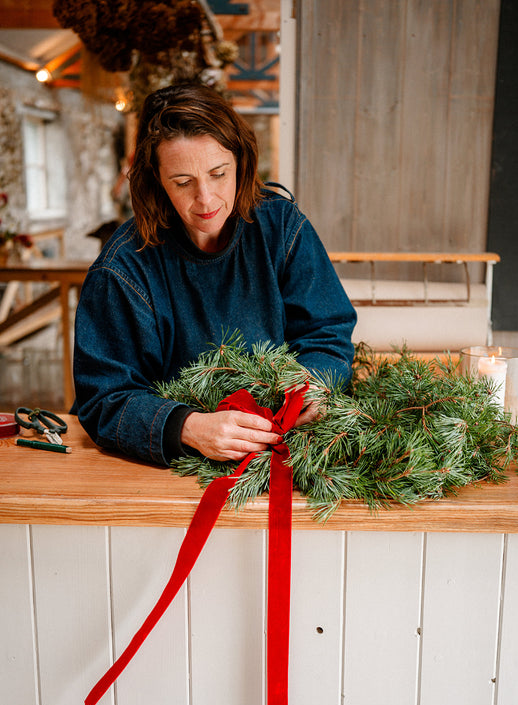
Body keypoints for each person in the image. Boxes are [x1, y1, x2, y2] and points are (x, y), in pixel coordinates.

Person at [73, 82, 357, 466]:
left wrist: (313, 385)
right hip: (167, 468)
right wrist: (187, 427)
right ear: (157, 181)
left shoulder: (282, 228)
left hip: (277, 453)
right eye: (183, 182)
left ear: (240, 162)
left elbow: (327, 332)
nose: (205, 199)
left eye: (219, 174)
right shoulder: (122, 268)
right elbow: (105, 398)